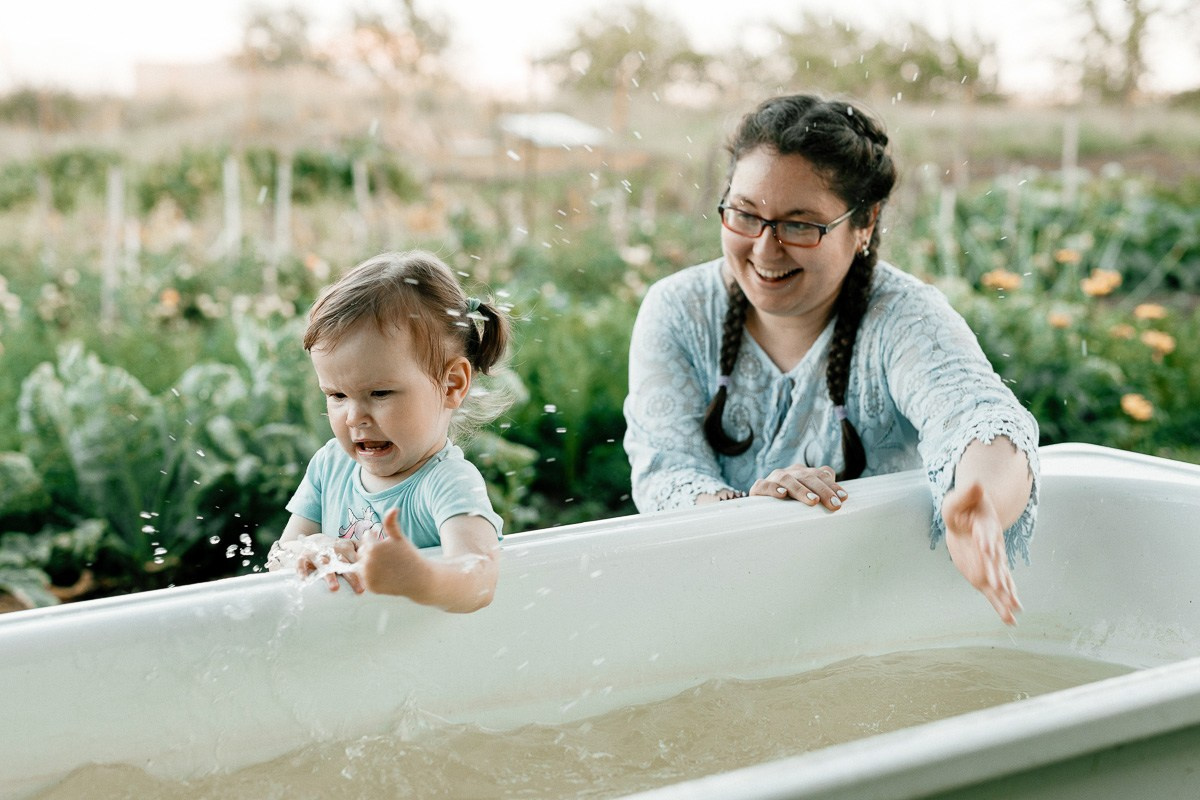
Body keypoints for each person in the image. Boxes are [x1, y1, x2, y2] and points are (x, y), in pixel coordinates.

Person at [624, 94, 1038, 625]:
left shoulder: (903, 318)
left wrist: (979, 506)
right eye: (746, 214)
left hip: (881, 609)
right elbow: (666, 468)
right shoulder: (678, 309)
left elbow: (980, 419)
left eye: (800, 225)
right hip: (720, 602)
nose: (766, 250)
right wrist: (750, 510)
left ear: (864, 223)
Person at [267, 250, 512, 613]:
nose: (354, 417)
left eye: (379, 393)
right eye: (336, 395)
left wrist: (419, 577)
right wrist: (310, 550)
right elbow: (276, 564)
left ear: (451, 385)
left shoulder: (447, 483)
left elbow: (479, 580)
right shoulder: (330, 466)